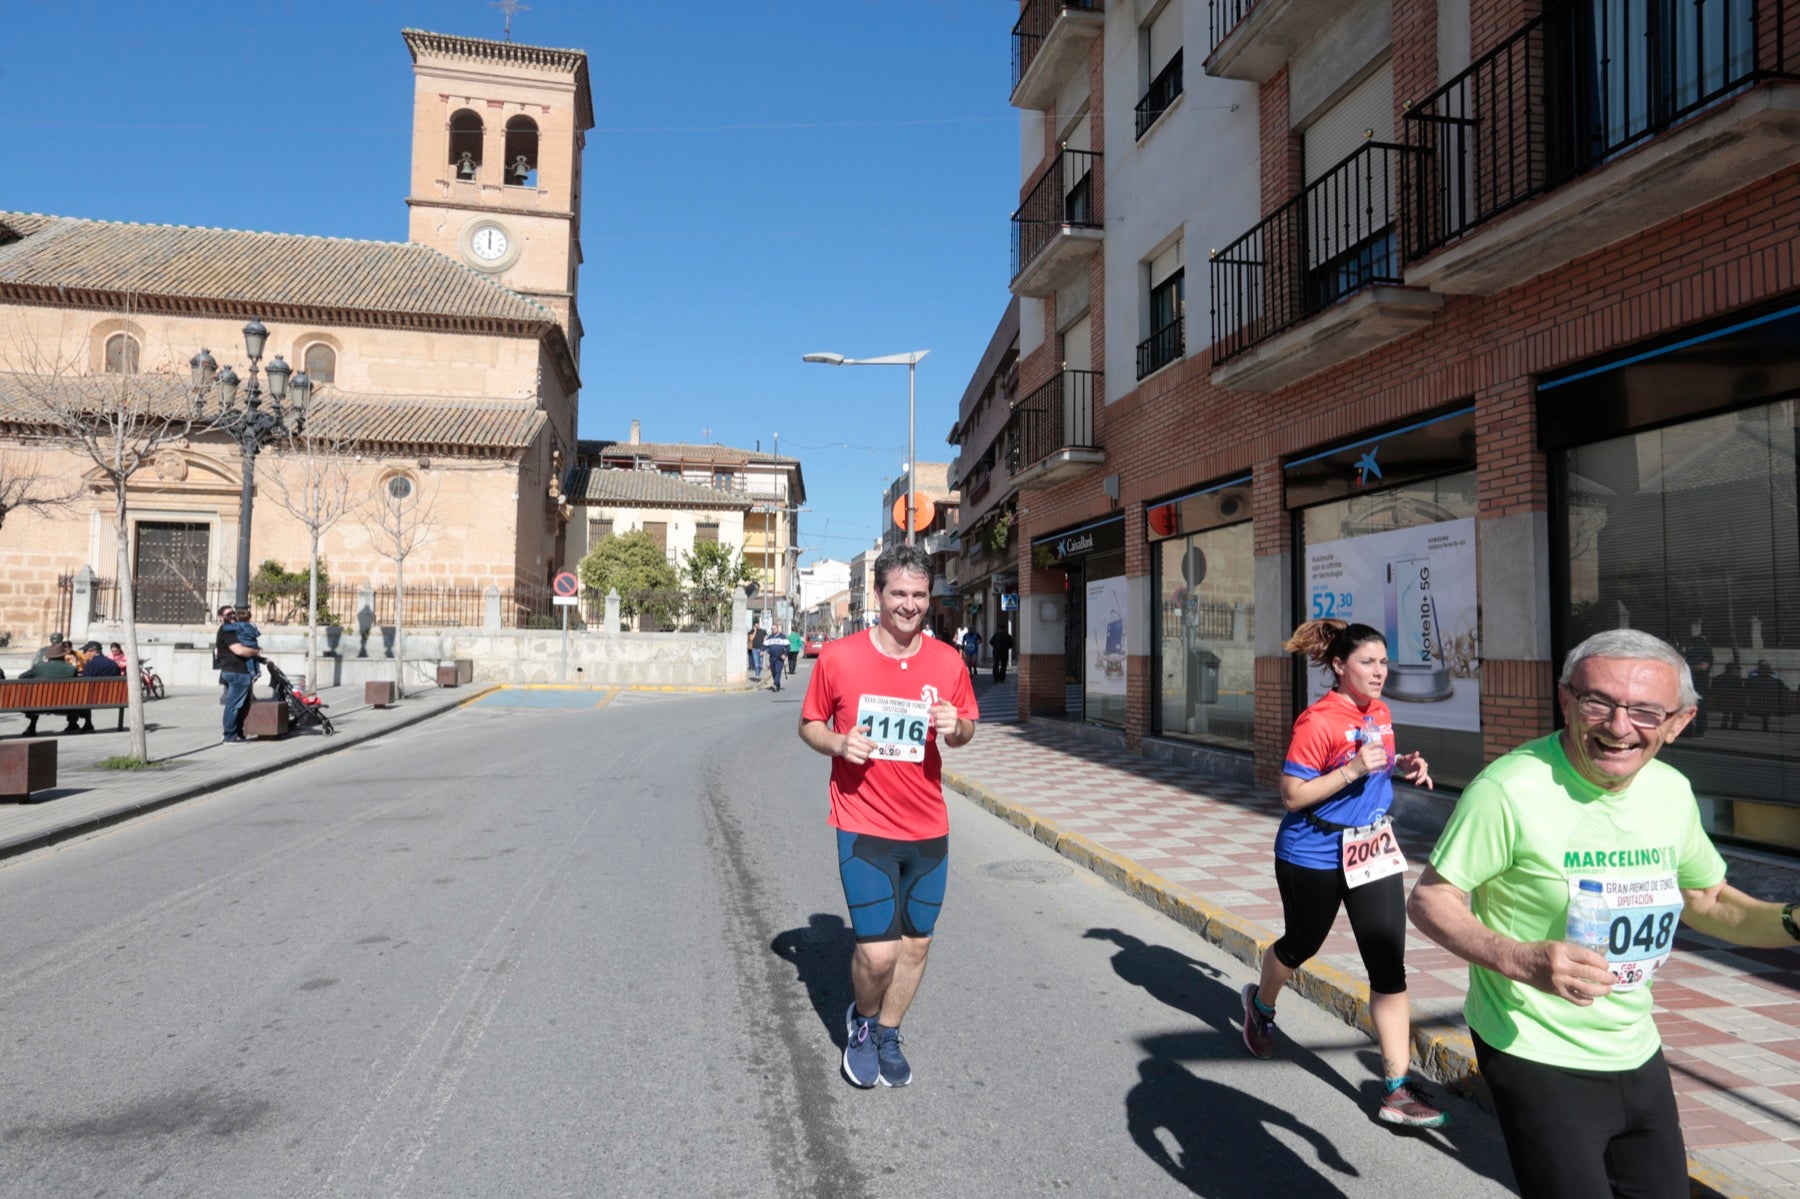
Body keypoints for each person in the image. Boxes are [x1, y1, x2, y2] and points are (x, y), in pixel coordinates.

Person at [1408, 628, 1800, 1199]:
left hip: (1635, 1042)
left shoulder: (1670, 790)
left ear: (1678, 721)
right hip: (1533, 1047)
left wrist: (1793, 919)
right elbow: (1430, 898)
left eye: (1645, 711)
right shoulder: (1508, 789)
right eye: (1599, 703)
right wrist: (1520, 958)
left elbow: (1709, 901)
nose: (1619, 727)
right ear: (1566, 700)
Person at [1240, 618, 1446, 1129]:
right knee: (1301, 944)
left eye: (1383, 662)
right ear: (1339, 666)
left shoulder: (1379, 709)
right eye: (1368, 663)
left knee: (1387, 962)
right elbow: (1291, 795)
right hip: (1312, 850)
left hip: (1371, 848)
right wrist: (1352, 770)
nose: (1379, 672)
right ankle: (1261, 1004)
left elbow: (1377, 759)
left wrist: (1404, 765)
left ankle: (1396, 1088)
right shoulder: (1318, 720)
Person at [798, 544, 978, 1089]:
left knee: (917, 943)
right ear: (878, 595)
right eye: (898, 593)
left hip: (928, 826)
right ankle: (863, 1022)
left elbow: (967, 730)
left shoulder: (948, 661)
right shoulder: (839, 657)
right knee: (878, 954)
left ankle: (889, 1032)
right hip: (863, 823)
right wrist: (838, 743)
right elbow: (809, 725)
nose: (908, 605)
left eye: (919, 595)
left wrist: (956, 725)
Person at [216, 604, 263, 744]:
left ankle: (237, 733)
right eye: (228, 614)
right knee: (234, 705)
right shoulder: (227, 632)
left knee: (240, 705)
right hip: (236, 672)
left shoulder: (235, 630)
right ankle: (229, 735)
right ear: (221, 618)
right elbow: (240, 651)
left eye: (233, 613)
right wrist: (256, 652)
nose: (232, 616)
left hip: (235, 672)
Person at [17, 645, 79, 737]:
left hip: (39, 705)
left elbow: (21, 677)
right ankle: (72, 724)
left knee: (35, 697)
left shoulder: (39, 667)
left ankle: (32, 726)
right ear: (63, 655)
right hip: (66, 705)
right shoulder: (71, 669)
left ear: (49, 656)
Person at [764, 623, 786, 693]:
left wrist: (784, 654)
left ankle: (775, 684)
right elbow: (765, 645)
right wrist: (762, 650)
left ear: (777, 629)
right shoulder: (770, 637)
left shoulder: (782, 637)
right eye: (772, 629)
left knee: (777, 671)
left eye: (774, 628)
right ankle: (777, 685)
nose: (773, 630)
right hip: (772, 658)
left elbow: (788, 647)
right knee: (773, 672)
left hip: (779, 657)